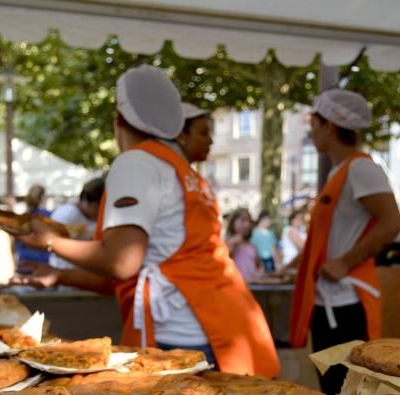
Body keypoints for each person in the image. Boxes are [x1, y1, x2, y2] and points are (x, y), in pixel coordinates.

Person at [16, 65, 279, 377]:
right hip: (216, 322)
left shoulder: (137, 163)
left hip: (180, 334)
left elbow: (121, 262)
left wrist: (49, 241)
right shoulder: (180, 170)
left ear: (118, 120)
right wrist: (59, 276)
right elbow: (141, 267)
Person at [288, 89, 400, 395]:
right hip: (330, 300)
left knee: (346, 391)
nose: (310, 131)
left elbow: (392, 222)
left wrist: (344, 262)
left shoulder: (361, 168)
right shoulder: (343, 170)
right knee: (333, 389)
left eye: (313, 123)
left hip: (346, 302)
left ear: (329, 125)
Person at [49, 177, 105, 269]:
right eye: (99, 207)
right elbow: (54, 244)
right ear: (88, 201)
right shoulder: (66, 215)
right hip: (65, 272)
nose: (100, 212)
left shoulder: (92, 217)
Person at [226, 209, 261, 282]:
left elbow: (259, 266)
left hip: (251, 286)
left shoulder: (252, 246)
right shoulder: (227, 243)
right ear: (232, 223)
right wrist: (232, 244)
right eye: (243, 220)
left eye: (249, 221)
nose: (247, 224)